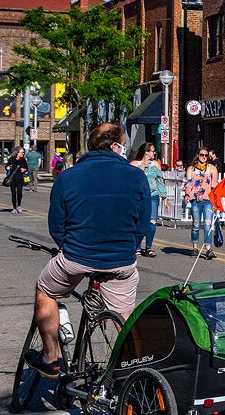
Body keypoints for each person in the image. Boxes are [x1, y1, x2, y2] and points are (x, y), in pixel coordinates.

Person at [24, 122, 152, 380]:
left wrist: (68, 246)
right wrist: (129, 247)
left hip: (76, 257)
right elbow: (143, 222)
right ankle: (137, 369)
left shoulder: (68, 176)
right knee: (125, 315)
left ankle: (50, 357)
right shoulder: (136, 176)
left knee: (46, 291)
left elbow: (56, 225)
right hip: (121, 261)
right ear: (116, 146)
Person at [185, 149, 219, 259]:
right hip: (195, 199)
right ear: (198, 155)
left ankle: (208, 248)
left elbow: (215, 186)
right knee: (196, 224)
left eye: (206, 155)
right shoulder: (191, 169)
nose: (204, 157)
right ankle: (195, 247)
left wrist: (215, 202)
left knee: (208, 224)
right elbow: (189, 184)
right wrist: (186, 195)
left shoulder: (212, 168)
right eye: (202, 155)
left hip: (208, 200)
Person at [133, 142, 164, 257]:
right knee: (139, 221)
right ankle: (137, 247)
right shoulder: (134, 164)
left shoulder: (155, 164)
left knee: (152, 222)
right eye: (152, 151)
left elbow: (160, 180)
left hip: (153, 195)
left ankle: (148, 247)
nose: (154, 153)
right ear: (146, 152)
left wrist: (164, 196)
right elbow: (134, 179)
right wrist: (142, 167)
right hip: (139, 196)